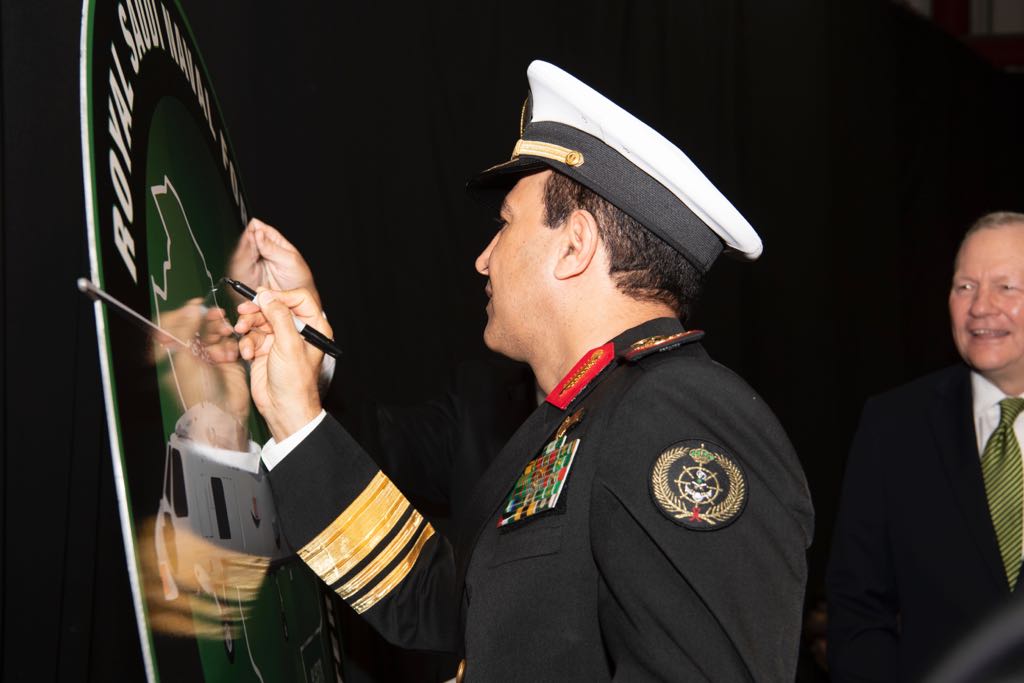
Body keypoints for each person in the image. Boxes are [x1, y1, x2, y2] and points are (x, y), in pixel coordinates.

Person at [236, 60, 813, 681]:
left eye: (506, 224)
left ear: (575, 245)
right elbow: (446, 604)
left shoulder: (678, 412)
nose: (484, 260)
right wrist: (298, 417)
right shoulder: (580, 418)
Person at [827, 211, 1024, 681]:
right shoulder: (895, 426)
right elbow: (857, 610)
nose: (980, 307)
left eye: (1006, 287)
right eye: (965, 286)